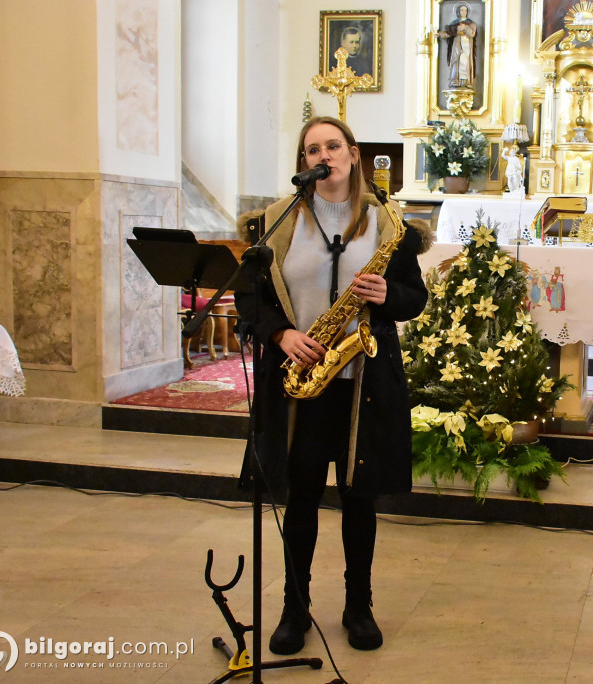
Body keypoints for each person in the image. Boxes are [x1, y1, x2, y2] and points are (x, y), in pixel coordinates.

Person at [235, 116, 431, 655]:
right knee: (299, 500)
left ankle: (358, 605)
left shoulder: (387, 225)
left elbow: (415, 301)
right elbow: (250, 302)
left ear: (352, 154)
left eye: (333, 145)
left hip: (361, 382)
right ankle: (293, 609)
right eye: (312, 149)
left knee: (358, 500)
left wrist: (386, 292)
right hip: (300, 384)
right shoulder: (275, 223)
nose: (324, 155)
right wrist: (281, 335)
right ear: (305, 163)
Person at [440, 3, 478, 88]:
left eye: (465, 10)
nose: (463, 12)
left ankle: (466, 82)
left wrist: (465, 27)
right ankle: (455, 81)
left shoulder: (471, 24)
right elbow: (449, 33)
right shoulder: (454, 23)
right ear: (458, 12)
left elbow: (471, 34)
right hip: (457, 45)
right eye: (461, 10)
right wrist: (440, 34)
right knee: (455, 61)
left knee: (465, 62)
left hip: (466, 46)